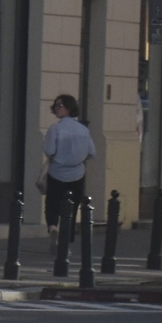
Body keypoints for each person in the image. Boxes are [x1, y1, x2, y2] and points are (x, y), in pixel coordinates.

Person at [42, 93, 95, 232]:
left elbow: (49, 151)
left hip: (56, 173)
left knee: (52, 204)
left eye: (60, 105)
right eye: (56, 105)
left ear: (69, 108)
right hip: (77, 174)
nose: (57, 108)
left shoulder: (55, 129)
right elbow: (92, 152)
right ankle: (67, 238)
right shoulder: (83, 130)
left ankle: (53, 227)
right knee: (72, 207)